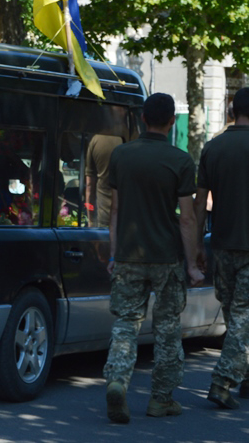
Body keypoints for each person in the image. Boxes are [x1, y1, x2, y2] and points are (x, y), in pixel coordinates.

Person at [102, 92, 203, 424]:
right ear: (172, 121)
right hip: (166, 258)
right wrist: (191, 264)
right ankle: (161, 399)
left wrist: (114, 254)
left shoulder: (121, 155)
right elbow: (187, 219)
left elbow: (115, 210)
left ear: (142, 118)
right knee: (168, 329)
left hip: (129, 255)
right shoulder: (181, 160)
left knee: (125, 326)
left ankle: (118, 380)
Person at [195, 86, 249, 409]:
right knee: (242, 317)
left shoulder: (212, 149)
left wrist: (198, 245)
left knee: (235, 316)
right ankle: (222, 381)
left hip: (222, 245)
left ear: (232, 110)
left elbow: (201, 201)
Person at [85, 134, 122, 228]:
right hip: (126, 214)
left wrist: (91, 220)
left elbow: (89, 185)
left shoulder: (95, 140)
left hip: (104, 214)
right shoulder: (129, 138)